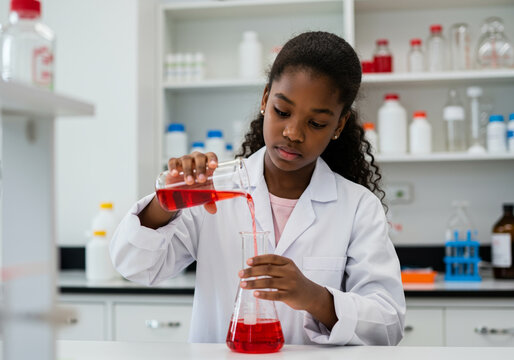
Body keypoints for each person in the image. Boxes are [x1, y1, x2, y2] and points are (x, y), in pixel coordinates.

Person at [110, 31, 405, 345]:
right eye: (282, 112)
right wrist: (165, 203)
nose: (293, 133)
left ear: (339, 126)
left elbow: (388, 325)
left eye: (316, 123)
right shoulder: (214, 190)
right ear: (266, 99)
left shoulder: (358, 206)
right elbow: (135, 266)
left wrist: (314, 296)